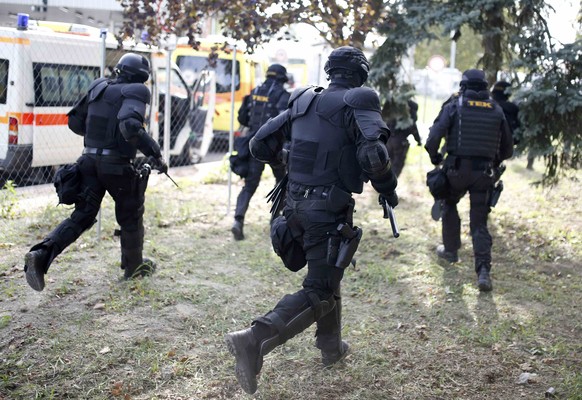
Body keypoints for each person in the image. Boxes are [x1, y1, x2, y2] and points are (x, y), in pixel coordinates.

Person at [224, 46, 399, 394]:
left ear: (331, 71)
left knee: (328, 271)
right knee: (319, 289)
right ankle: (254, 338)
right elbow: (374, 155)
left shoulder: (303, 99)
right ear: (360, 73)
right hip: (325, 210)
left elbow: (259, 145)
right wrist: (387, 189)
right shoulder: (359, 99)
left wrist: (289, 161)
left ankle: (330, 348)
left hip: (293, 205)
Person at [23, 53, 168, 292]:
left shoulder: (98, 86)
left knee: (83, 215)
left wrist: (100, 140)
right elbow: (130, 125)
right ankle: (134, 268)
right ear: (142, 77)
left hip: (88, 162)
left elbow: (75, 123)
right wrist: (154, 152)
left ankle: (40, 255)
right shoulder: (137, 91)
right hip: (117, 167)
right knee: (131, 215)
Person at [425, 69, 513, 292]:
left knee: (449, 203)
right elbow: (507, 149)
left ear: (463, 85)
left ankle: (451, 251)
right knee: (479, 223)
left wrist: (435, 157)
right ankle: (483, 271)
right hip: (484, 175)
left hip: (456, 171)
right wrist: (492, 162)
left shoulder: (455, 105)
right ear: (485, 87)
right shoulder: (496, 109)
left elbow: (434, 137)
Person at [231, 64, 290, 240]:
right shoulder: (283, 95)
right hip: (275, 149)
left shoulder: (254, 91)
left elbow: (242, 118)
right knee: (281, 183)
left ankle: (238, 221)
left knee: (249, 185)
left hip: (254, 145)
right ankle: (274, 220)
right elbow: (286, 122)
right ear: (282, 78)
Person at [382, 90, 422, 178]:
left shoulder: (392, 105)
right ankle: (390, 187)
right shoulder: (411, 107)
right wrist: (418, 140)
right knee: (397, 166)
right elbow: (413, 126)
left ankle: (385, 185)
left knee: (386, 164)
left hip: (388, 140)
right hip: (400, 142)